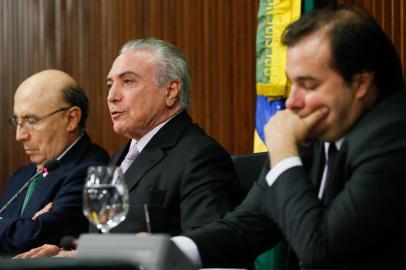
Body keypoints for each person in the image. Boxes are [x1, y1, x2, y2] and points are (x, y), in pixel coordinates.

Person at [172, 5, 406, 269]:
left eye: (308, 85)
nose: (292, 102)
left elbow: (321, 250)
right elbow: (243, 228)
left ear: (360, 83)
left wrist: (283, 153)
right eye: (291, 83)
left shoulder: (393, 137)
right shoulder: (317, 133)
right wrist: (168, 251)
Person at [15, 38, 239, 258]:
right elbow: (104, 239)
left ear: (171, 91)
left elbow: (207, 249)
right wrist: (71, 255)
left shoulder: (200, 156)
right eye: (110, 85)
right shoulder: (120, 157)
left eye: (128, 81)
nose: (112, 97)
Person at [0, 70, 110, 254]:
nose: (20, 135)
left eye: (31, 120)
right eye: (17, 121)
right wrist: (26, 225)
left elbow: (31, 237)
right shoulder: (20, 177)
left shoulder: (93, 169)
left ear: (71, 119)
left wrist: (26, 227)